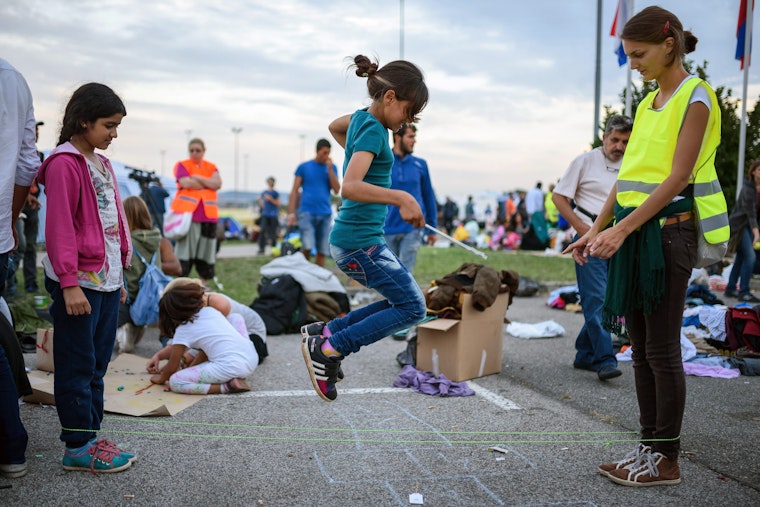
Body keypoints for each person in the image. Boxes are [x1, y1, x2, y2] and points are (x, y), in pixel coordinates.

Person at [565, 6, 727, 487]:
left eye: (639, 54)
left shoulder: (697, 98)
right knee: (638, 351)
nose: (633, 63)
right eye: (628, 55)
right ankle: (647, 451)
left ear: (668, 44)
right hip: (635, 234)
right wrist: (598, 228)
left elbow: (678, 176)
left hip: (667, 234)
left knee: (661, 351)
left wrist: (621, 230)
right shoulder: (647, 102)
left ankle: (667, 460)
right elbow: (627, 178)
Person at [301, 54, 429, 402]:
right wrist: (401, 197)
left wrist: (357, 150)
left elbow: (334, 126)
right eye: (407, 111)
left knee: (404, 301)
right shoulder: (374, 130)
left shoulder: (362, 120)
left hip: (358, 240)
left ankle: (327, 332)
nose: (406, 122)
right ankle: (330, 349)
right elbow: (350, 186)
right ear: (389, 98)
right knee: (413, 308)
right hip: (360, 242)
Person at [38, 82, 136, 473]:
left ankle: (91, 436)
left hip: (105, 279)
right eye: (109, 125)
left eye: (117, 126)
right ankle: (77, 446)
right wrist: (69, 283)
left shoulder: (100, 162)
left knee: (97, 363)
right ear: (84, 121)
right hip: (78, 283)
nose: (114, 134)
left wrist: (119, 277)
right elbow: (59, 226)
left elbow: (112, 224)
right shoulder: (64, 163)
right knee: (77, 364)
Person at [553, 114, 632, 381]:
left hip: (619, 238)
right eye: (615, 140)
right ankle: (604, 360)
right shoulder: (584, 161)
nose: (619, 146)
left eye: (624, 141)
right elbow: (559, 196)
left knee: (611, 301)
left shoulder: (632, 163)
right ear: (604, 137)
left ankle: (585, 354)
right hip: (588, 239)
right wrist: (583, 230)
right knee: (596, 298)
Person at [0, 57, 39, 480]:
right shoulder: (13, 79)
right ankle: (11, 446)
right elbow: (27, 163)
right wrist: (7, 220)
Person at [149, 283, 258, 394]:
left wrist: (161, 378)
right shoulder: (211, 311)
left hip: (231, 367)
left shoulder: (183, 330)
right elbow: (205, 351)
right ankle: (235, 376)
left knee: (175, 381)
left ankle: (227, 387)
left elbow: (173, 366)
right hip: (252, 358)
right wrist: (191, 369)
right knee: (235, 317)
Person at [148, 276, 268, 367]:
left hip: (253, 336)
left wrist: (188, 358)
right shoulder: (196, 305)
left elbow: (214, 339)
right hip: (231, 336)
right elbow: (181, 340)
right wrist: (158, 356)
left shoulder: (218, 304)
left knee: (225, 361)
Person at [115, 195, 182, 353]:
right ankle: (170, 347)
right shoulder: (158, 240)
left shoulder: (122, 242)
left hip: (127, 304)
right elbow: (178, 269)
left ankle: (125, 329)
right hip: (153, 303)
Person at [383, 125, 438, 273]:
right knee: (390, 274)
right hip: (386, 228)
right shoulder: (383, 162)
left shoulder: (420, 164)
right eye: (410, 137)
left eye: (414, 137)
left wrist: (432, 228)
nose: (414, 141)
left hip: (412, 228)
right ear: (397, 137)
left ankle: (407, 297)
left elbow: (428, 196)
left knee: (406, 272)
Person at [169, 138, 222, 284]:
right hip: (189, 215)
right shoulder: (182, 165)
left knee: (207, 252)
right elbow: (186, 182)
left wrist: (197, 178)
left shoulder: (211, 167)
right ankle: (182, 282)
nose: (194, 153)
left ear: (204, 151)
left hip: (209, 216)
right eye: (192, 150)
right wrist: (207, 183)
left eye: (198, 150)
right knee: (185, 251)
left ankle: (203, 283)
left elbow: (217, 184)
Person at [286, 139, 340, 266]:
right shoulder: (304, 167)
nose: (326, 156)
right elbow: (294, 190)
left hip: (325, 213)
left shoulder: (332, 168)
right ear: (317, 151)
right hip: (306, 212)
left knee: (322, 249)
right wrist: (291, 213)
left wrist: (330, 170)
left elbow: (337, 190)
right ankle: (304, 274)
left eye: (328, 153)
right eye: (324, 153)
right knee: (307, 246)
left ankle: (317, 276)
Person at [725, 160, 760, 302]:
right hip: (739, 226)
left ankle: (730, 288)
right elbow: (750, 212)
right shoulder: (748, 188)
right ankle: (744, 291)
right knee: (750, 257)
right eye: (759, 169)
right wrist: (756, 232)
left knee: (741, 257)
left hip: (752, 227)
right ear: (753, 172)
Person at [257, 176, 280, 255]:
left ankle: (273, 249)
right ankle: (261, 248)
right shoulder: (264, 192)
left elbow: (278, 203)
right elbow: (259, 199)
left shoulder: (275, 193)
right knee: (262, 231)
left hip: (273, 215)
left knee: (273, 232)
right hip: (265, 214)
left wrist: (271, 199)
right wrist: (262, 204)